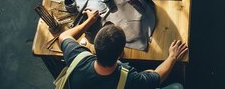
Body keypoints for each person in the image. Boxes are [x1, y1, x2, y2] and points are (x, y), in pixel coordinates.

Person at [58, 9, 187, 89]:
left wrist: (90, 21)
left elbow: (63, 36)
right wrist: (172, 57)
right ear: (120, 54)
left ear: (95, 47)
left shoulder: (78, 57)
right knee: (177, 87)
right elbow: (158, 77)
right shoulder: (130, 80)